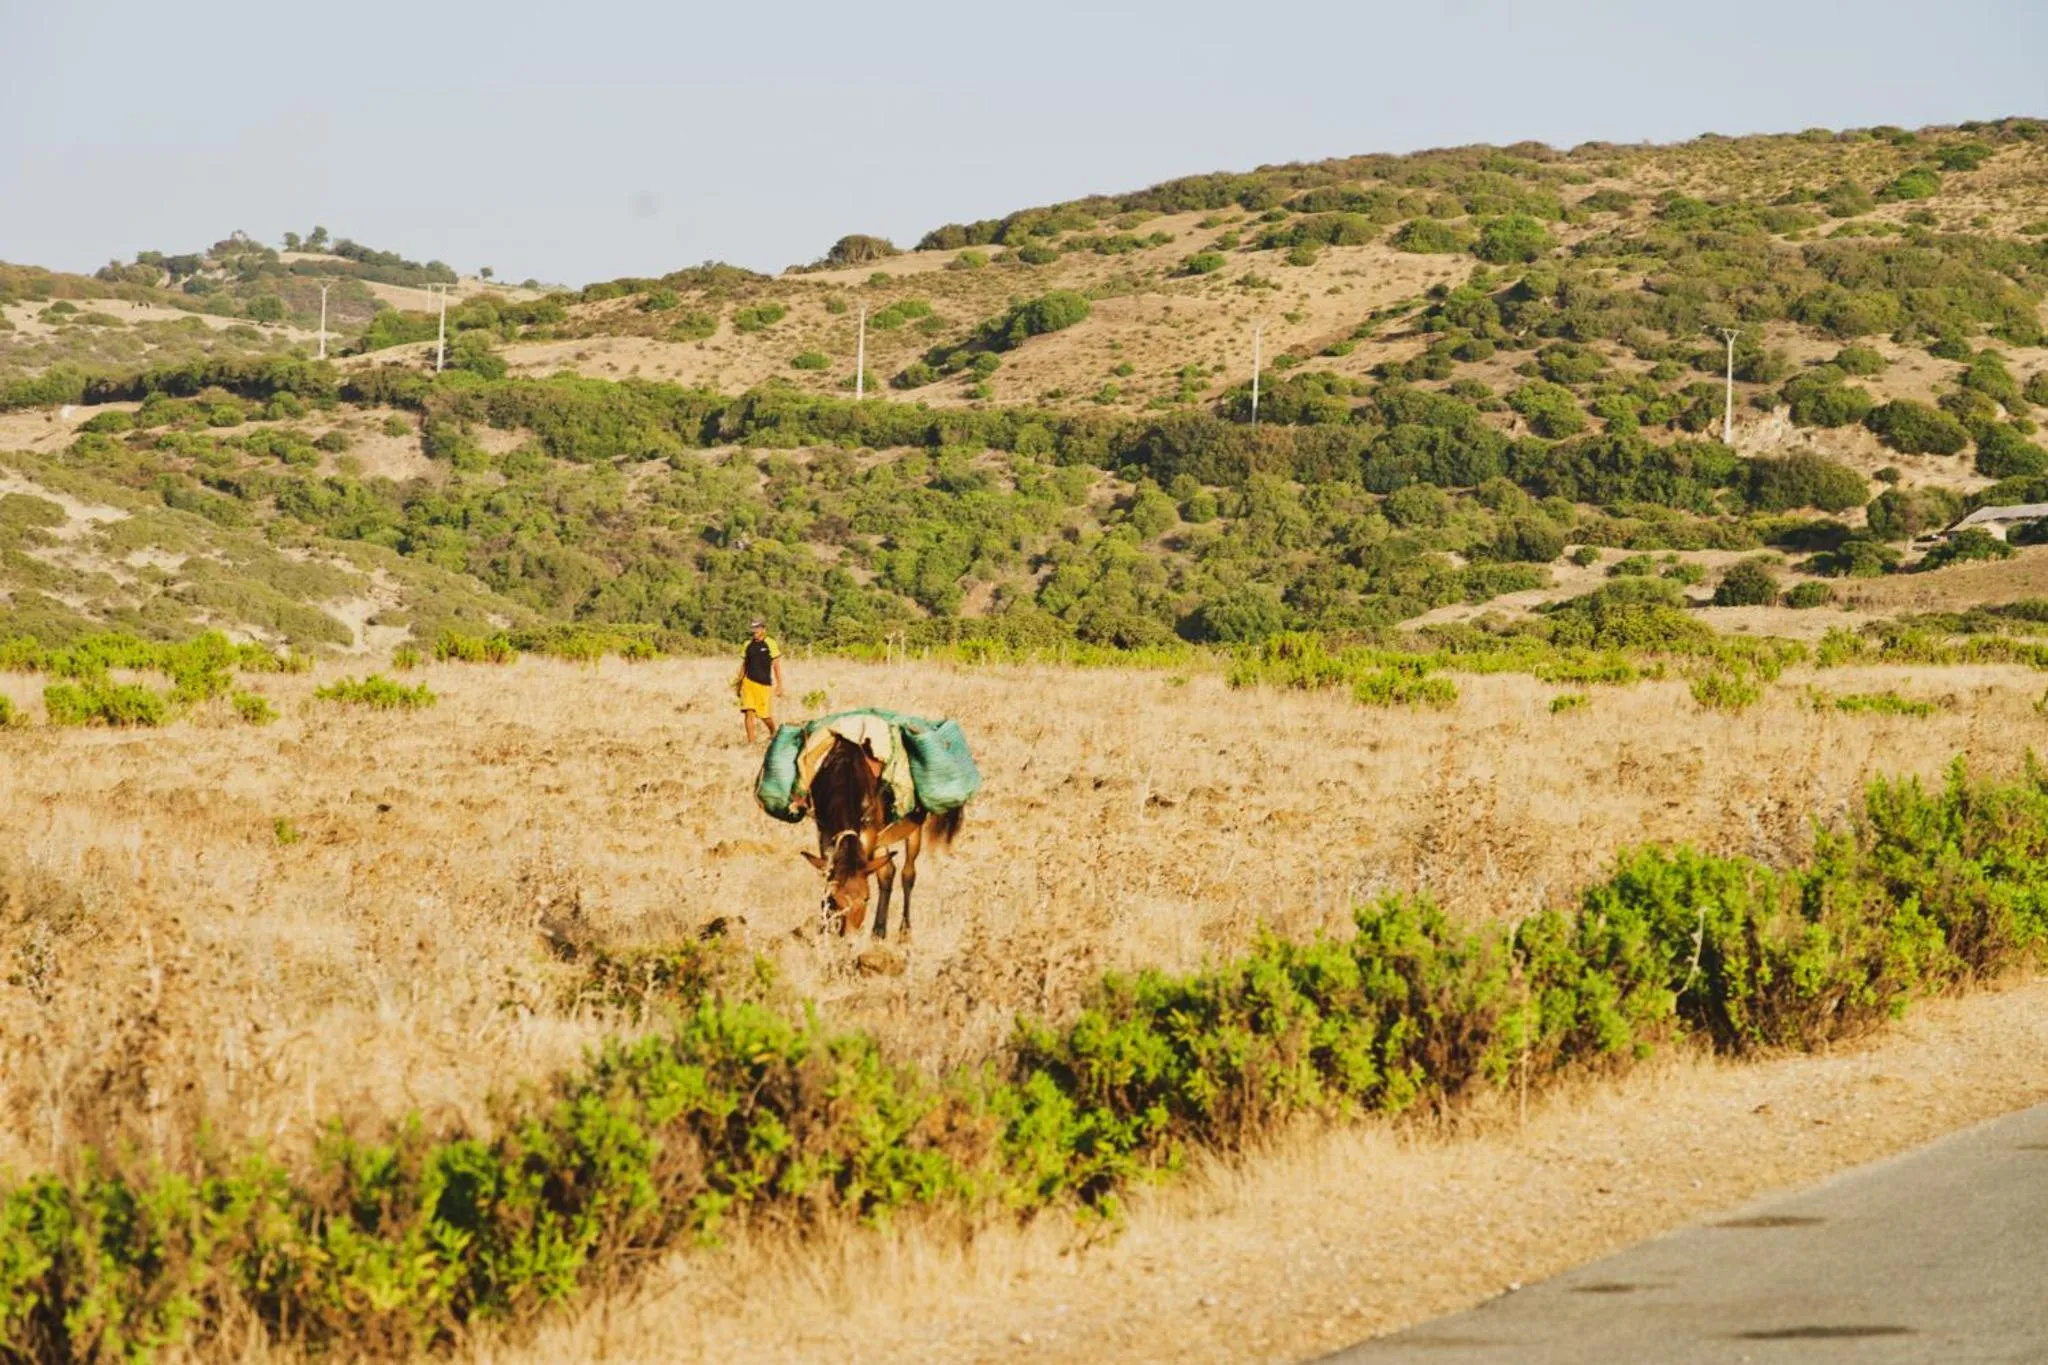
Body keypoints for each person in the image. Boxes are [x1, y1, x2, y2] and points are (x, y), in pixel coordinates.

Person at [735, 618, 785, 743]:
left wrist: (779, 684)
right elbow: (745, 664)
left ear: (763, 630)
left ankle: (773, 732)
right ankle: (751, 742)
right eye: (753, 629)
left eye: (757, 629)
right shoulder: (748, 644)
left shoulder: (770, 643)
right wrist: (739, 682)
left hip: (763, 684)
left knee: (764, 715)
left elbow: (776, 665)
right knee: (748, 713)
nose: (755, 632)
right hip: (748, 683)